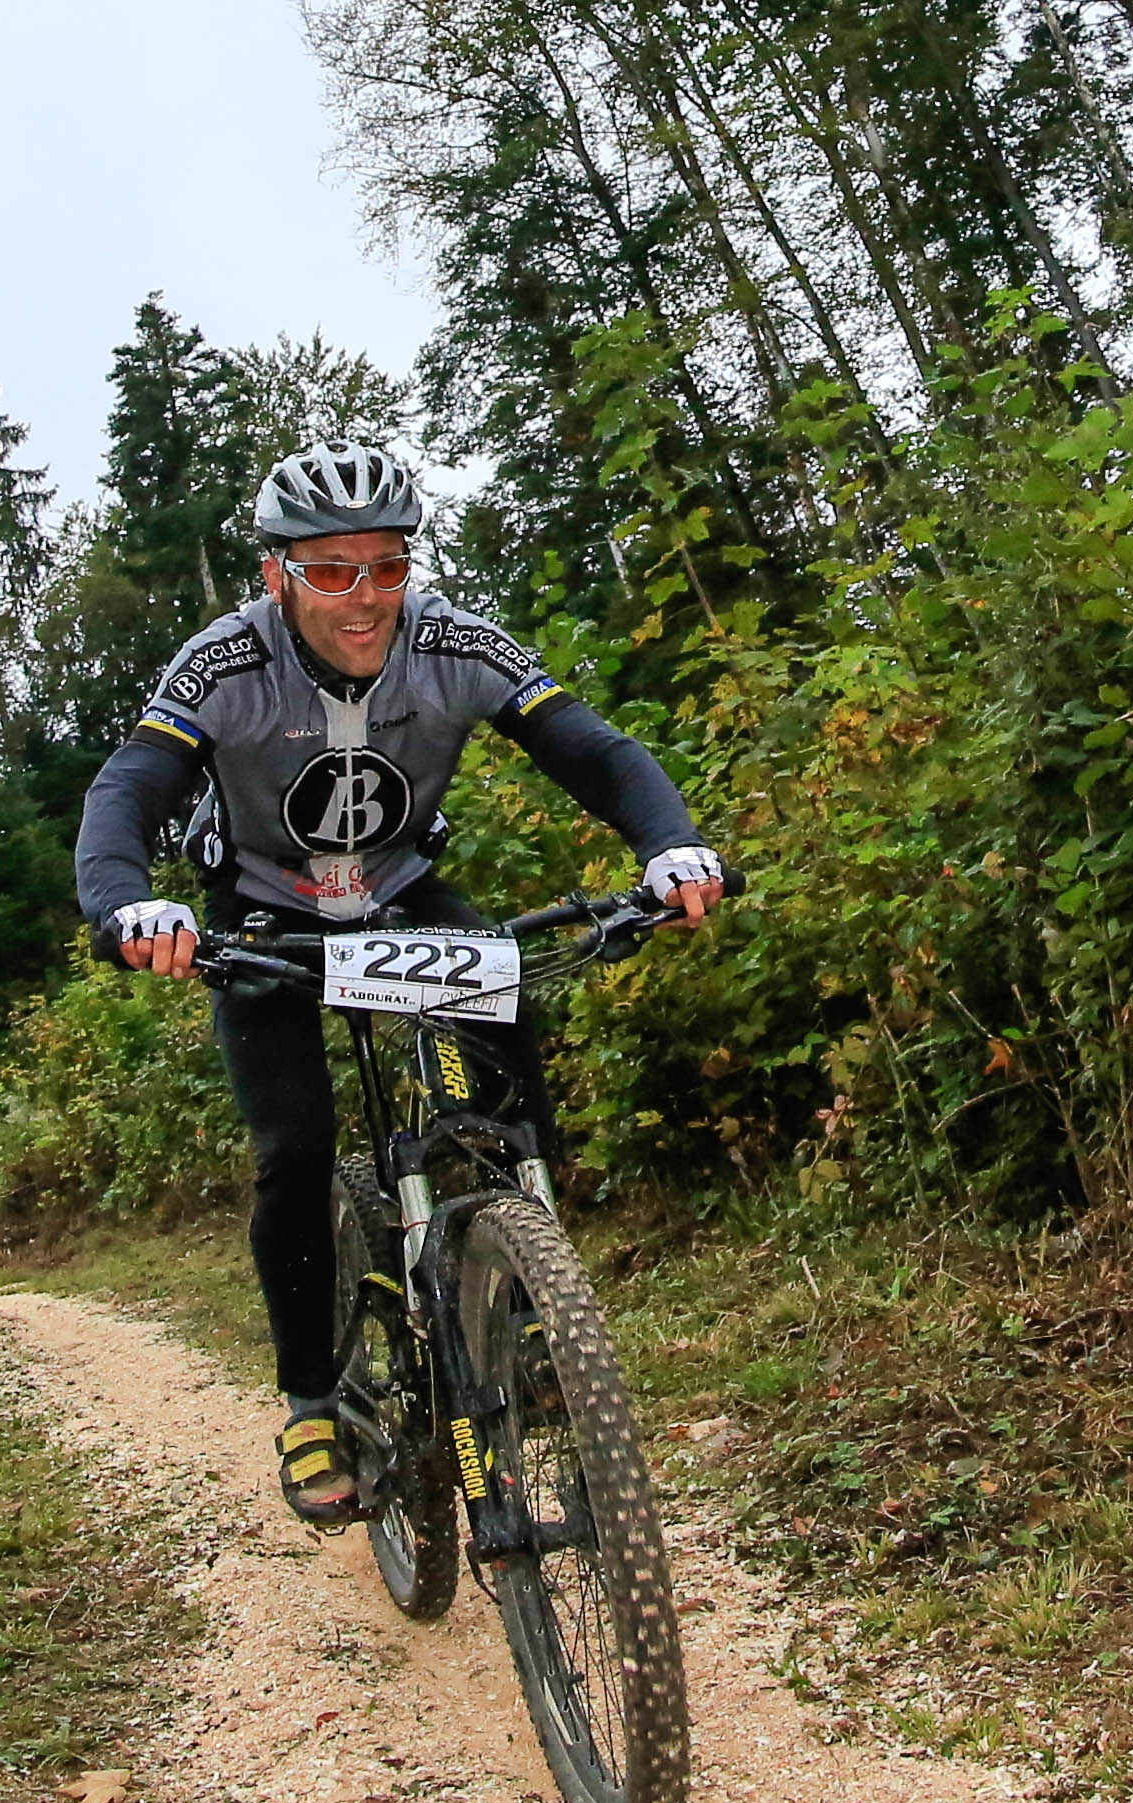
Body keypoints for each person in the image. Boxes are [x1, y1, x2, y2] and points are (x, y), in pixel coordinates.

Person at [72, 443, 722, 1524]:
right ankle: (310, 1402)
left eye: (386, 566)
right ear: (277, 575)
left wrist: (670, 844)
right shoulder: (223, 662)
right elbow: (129, 787)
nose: (364, 596)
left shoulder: (452, 642)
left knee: (506, 1039)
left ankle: (527, 1306)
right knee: (294, 1148)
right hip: (264, 913)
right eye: (332, 571)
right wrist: (127, 904)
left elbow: (594, 751)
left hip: (402, 893)